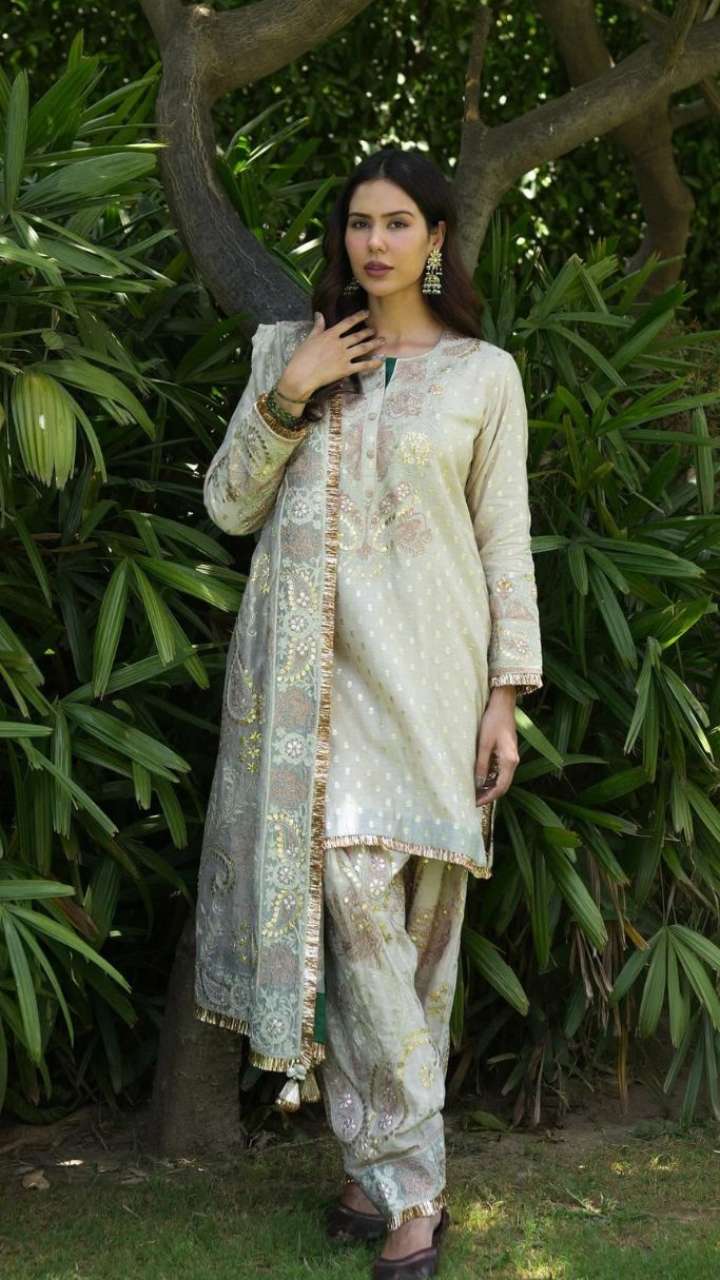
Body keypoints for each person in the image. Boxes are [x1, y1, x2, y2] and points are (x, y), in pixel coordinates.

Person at [194, 146, 543, 1280]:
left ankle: (368, 1171)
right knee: (353, 913)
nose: (375, 242)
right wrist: (292, 389)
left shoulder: (485, 375)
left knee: (423, 941)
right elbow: (228, 504)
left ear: (435, 239)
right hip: (314, 696)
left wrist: (504, 699)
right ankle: (415, 1192)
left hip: (436, 687)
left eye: (398, 223)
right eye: (359, 222)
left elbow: (504, 539)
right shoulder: (290, 354)